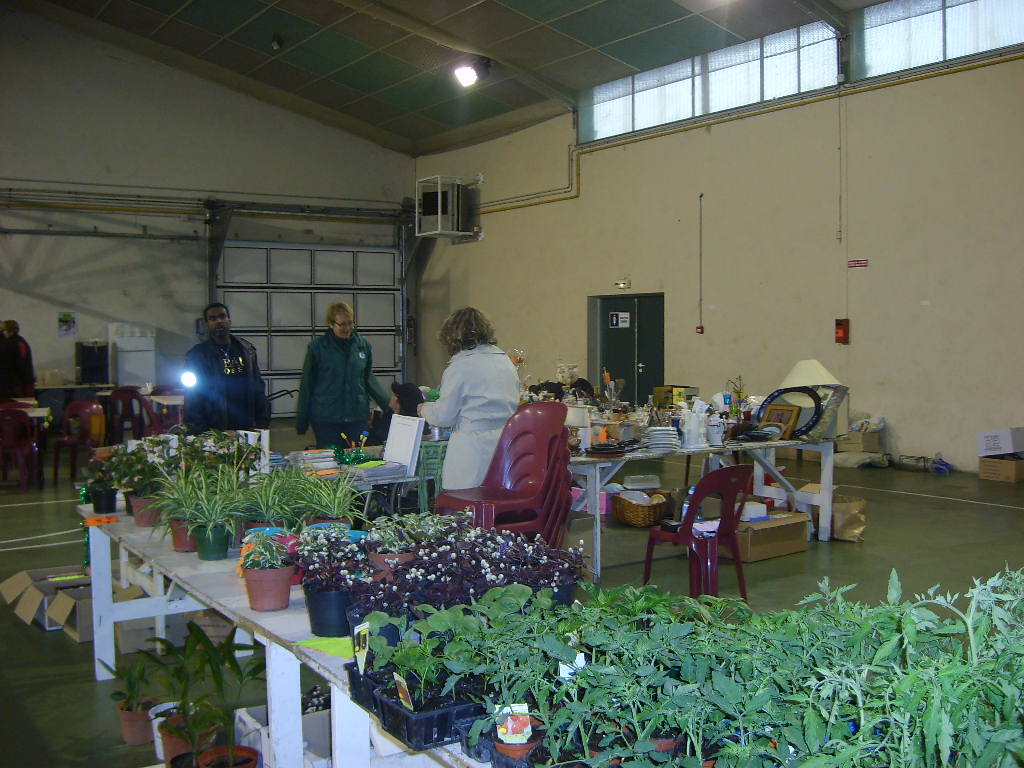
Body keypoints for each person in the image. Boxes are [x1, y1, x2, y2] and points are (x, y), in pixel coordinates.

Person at [419, 307, 520, 490]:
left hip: (472, 450)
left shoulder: (460, 367)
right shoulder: (505, 361)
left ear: (451, 337)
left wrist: (425, 408)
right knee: (498, 504)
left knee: (466, 507)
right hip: (506, 446)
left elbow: (444, 416)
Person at [296, 301, 390, 449]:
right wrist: (302, 420)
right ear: (331, 324)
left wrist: (389, 406)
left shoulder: (363, 346)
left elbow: (368, 379)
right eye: (342, 324)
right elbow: (307, 384)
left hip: (357, 417)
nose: (347, 328)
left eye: (350, 323)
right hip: (326, 419)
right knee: (331, 462)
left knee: (358, 460)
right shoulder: (317, 348)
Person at [183, 302, 270, 434]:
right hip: (214, 428)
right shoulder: (198, 356)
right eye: (213, 318)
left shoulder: (247, 350)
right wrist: (199, 430)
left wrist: (262, 420)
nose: (219, 321)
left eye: (222, 316)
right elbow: (193, 397)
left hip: (246, 425)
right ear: (206, 324)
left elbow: (258, 387)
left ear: (229, 320)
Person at [0, 320, 35, 397]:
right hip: (23, 381)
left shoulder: (12, 343)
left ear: (7, 331)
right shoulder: (20, 341)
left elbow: (18, 364)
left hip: (18, 383)